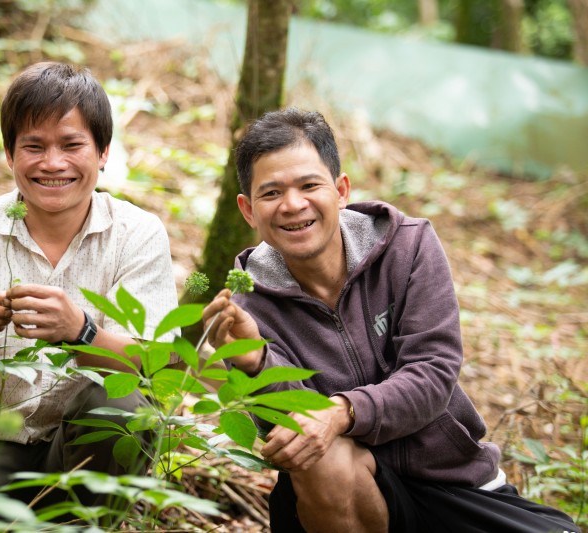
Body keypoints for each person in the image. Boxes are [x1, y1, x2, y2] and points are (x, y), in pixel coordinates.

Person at [201, 108, 580, 533]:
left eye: (309, 185)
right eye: (271, 194)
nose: (293, 205)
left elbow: (433, 372)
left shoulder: (406, 245)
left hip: (451, 481)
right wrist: (254, 361)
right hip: (340, 495)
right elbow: (292, 434)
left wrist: (343, 410)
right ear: (248, 210)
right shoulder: (247, 301)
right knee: (325, 457)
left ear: (341, 190)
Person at [0, 62, 178, 509]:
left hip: (92, 450)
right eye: (34, 146)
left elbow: (157, 365)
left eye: (72, 145)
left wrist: (80, 332)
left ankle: (77, 520)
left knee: (125, 404)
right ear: (10, 155)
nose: (53, 163)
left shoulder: (137, 234)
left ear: (103, 152)